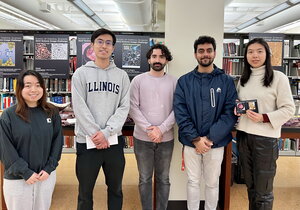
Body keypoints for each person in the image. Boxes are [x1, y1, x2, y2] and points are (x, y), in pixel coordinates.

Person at [173, 36, 237, 210]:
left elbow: (230, 114)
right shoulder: (184, 81)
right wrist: (195, 139)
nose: (205, 54)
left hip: (215, 144)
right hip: (190, 143)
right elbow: (180, 112)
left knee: (212, 183)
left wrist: (209, 139)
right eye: (201, 51)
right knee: (193, 182)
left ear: (215, 53)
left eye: (209, 50)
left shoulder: (226, 82)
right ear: (195, 54)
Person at [71, 28, 130, 210]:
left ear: (113, 48)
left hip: (113, 142)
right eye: (100, 42)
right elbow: (79, 107)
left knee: (115, 190)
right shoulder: (80, 73)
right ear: (92, 46)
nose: (104, 46)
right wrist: (96, 133)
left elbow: (124, 107)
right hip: (87, 142)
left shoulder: (122, 76)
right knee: (85, 193)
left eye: (108, 43)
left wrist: (106, 133)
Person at [235, 38, 295, 210]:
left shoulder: (278, 78)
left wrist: (264, 117)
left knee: (263, 191)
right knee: (251, 187)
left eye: (259, 51)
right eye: (251, 51)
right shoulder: (244, 79)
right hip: (244, 136)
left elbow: (288, 109)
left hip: (266, 140)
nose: (255, 55)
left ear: (267, 54)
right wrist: (236, 108)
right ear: (246, 55)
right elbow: (240, 104)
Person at [0, 70, 63, 210]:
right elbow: (5, 149)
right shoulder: (8, 115)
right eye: (28, 85)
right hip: (18, 178)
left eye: (38, 85)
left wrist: (49, 168)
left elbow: (57, 142)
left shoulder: (51, 112)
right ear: (20, 88)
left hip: (45, 176)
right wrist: (25, 172)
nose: (33, 89)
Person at [129, 44, 177, 210]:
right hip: (142, 139)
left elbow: (178, 109)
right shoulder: (138, 80)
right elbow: (133, 107)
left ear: (166, 60)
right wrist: (151, 130)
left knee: (164, 179)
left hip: (166, 139)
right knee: (144, 179)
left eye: (161, 56)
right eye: (154, 56)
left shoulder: (174, 81)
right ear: (149, 59)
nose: (158, 60)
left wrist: (161, 129)